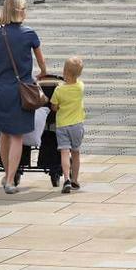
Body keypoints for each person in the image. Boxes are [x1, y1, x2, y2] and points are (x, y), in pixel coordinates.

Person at [0, 0, 51, 194]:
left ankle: (8, 173)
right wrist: (39, 74)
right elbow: (42, 63)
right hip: (21, 90)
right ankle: (10, 180)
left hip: (0, 91)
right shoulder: (30, 34)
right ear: (21, 11)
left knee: (4, 133)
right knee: (17, 136)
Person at [51, 56, 86, 194]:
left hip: (62, 126)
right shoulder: (80, 87)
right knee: (76, 153)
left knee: (64, 152)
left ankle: (66, 178)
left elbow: (54, 107)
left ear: (64, 71)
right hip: (77, 125)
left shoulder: (59, 90)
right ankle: (75, 180)